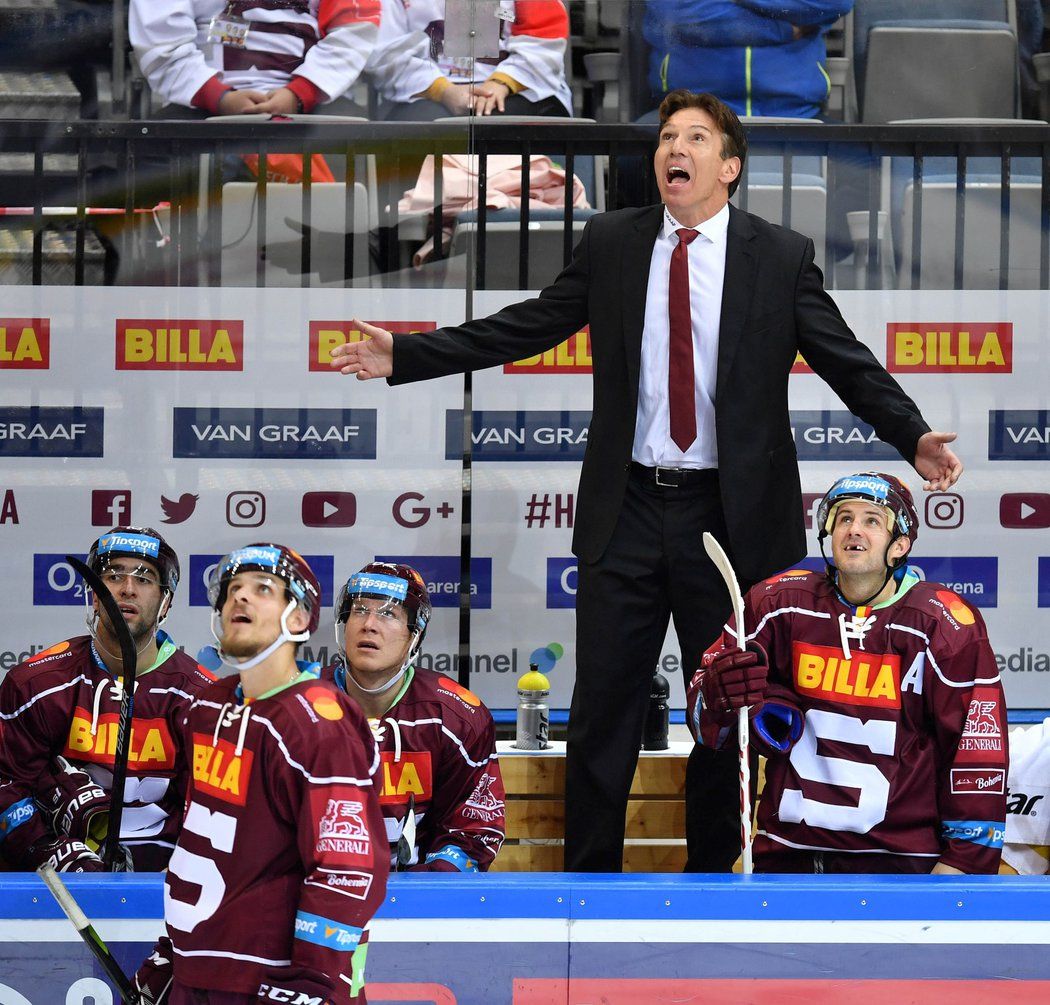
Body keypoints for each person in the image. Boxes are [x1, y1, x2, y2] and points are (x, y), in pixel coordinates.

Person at [329, 89, 963, 873]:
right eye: (667, 136)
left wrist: (912, 435)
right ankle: (586, 888)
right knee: (602, 714)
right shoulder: (614, 241)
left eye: (697, 137)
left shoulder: (780, 255)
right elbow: (529, 323)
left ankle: (711, 888)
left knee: (723, 712)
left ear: (728, 166)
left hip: (728, 520)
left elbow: (846, 358)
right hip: (626, 504)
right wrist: (409, 355)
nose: (676, 148)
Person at [689, 472, 1007, 874]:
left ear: (900, 545)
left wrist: (965, 861)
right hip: (786, 856)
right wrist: (716, 697)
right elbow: (707, 730)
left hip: (900, 867)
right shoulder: (776, 604)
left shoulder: (943, 624)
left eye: (872, 520)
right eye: (843, 518)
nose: (854, 529)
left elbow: (976, 747)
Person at [135, 543, 388, 1004]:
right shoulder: (209, 705)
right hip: (202, 971)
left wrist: (310, 983)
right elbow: (206, 843)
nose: (240, 598)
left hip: (276, 981)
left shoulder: (320, 722)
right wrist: (175, 950)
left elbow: (346, 867)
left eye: (263, 589)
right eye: (232, 589)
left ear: (298, 618)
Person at [0, 527, 213, 873]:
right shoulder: (36, 684)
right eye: (113, 575)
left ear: (166, 602)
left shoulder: (202, 699)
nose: (128, 588)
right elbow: (6, 785)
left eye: (145, 578)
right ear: (95, 595)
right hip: (55, 891)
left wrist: (174, 874)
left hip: (162, 890)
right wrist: (47, 851)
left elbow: (213, 812)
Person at [322, 562, 505, 872]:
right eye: (359, 610)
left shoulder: (457, 718)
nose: (369, 624)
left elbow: (470, 833)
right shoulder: (296, 707)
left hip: (416, 901)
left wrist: (418, 894)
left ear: (414, 636)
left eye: (388, 614)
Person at [129, 0, 380, 118]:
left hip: (311, 105)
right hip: (202, 107)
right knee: (160, 147)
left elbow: (351, 33)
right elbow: (162, 40)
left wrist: (300, 93)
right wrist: (218, 97)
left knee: (362, 143)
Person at [641, 1, 852, 120]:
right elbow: (677, 11)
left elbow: (835, 2)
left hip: (797, 114)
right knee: (628, 162)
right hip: (688, 111)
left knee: (862, 171)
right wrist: (782, 29)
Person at [369, 0, 573, 120]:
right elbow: (385, 53)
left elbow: (544, 39)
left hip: (519, 92)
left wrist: (501, 84)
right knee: (421, 125)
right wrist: (443, 91)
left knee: (503, 124)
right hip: (424, 96)